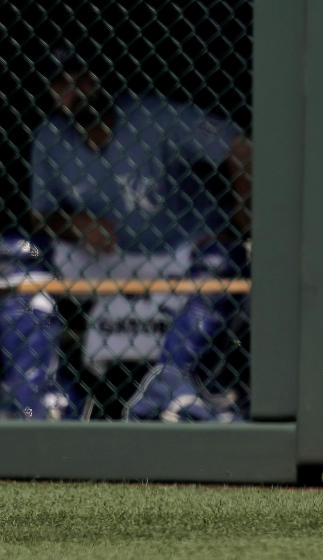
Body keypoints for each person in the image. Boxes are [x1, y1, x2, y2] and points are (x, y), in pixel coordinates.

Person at [0, 46, 250, 421]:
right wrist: (74, 224)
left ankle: (174, 389)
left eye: (80, 78)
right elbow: (41, 217)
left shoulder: (151, 117)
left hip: (176, 252)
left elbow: (239, 147)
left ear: (99, 80)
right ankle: (42, 398)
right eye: (61, 84)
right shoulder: (49, 138)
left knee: (220, 258)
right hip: (101, 259)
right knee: (15, 254)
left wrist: (242, 221)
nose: (73, 91)